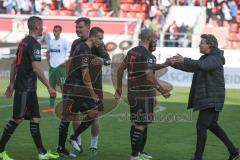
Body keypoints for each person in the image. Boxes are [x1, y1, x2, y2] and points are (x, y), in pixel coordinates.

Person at [167, 34, 240, 160]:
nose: (199, 44)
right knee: (212, 125)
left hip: (212, 98)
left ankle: (198, 157)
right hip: (209, 97)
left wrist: (184, 59)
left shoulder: (216, 58)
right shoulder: (206, 57)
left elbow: (203, 66)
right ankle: (234, 151)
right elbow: (192, 67)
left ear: (209, 45)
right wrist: (174, 63)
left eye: (202, 42)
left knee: (201, 126)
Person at [0, 16, 59, 160]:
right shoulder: (34, 44)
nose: (43, 29)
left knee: (35, 118)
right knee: (17, 119)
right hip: (25, 88)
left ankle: (42, 153)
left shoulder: (23, 42)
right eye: (42, 26)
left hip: (28, 88)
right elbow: (36, 68)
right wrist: (50, 87)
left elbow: (14, 63)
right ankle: (0, 151)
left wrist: (12, 83)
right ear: (37, 27)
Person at [114, 29, 171, 160]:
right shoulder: (148, 55)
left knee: (138, 123)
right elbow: (149, 76)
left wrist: (119, 89)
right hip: (143, 94)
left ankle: (139, 152)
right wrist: (162, 91)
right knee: (140, 124)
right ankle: (135, 155)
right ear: (148, 39)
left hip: (134, 93)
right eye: (155, 39)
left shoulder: (132, 51)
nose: (155, 42)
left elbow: (121, 69)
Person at [57, 27, 105, 157]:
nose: (101, 42)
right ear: (92, 37)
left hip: (77, 88)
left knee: (91, 113)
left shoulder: (85, 48)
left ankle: (72, 138)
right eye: (99, 38)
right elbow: (85, 73)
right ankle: (62, 146)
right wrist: (93, 93)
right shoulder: (84, 49)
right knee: (69, 117)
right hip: (75, 88)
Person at [68, 17, 110, 157]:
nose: (78, 30)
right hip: (78, 85)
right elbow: (72, 62)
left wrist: (103, 60)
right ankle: (77, 144)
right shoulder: (76, 43)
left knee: (94, 116)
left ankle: (93, 145)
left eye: (81, 27)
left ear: (88, 28)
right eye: (77, 27)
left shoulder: (97, 43)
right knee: (75, 115)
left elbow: (108, 59)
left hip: (94, 85)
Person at [45, 25, 70, 112]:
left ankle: (65, 107)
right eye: (54, 31)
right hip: (52, 68)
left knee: (63, 88)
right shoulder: (51, 42)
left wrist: (65, 62)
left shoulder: (64, 42)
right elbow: (47, 52)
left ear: (60, 32)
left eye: (57, 31)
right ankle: (51, 108)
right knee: (51, 88)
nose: (55, 32)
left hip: (61, 68)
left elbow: (69, 52)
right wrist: (49, 62)